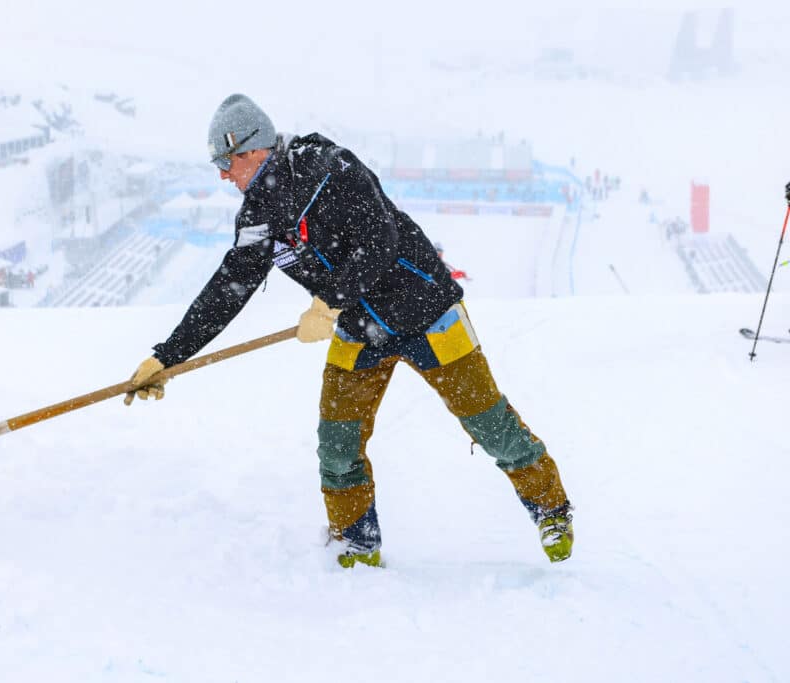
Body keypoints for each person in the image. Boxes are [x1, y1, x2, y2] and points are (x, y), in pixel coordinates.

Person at [124, 94, 573, 568]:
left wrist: (330, 300)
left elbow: (380, 240)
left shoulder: (326, 167)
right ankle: (355, 541)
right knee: (337, 443)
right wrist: (169, 356)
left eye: (224, 162)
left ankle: (551, 510)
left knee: (489, 423)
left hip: (426, 311)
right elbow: (228, 289)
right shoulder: (257, 216)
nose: (222, 175)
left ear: (252, 149)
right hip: (359, 329)